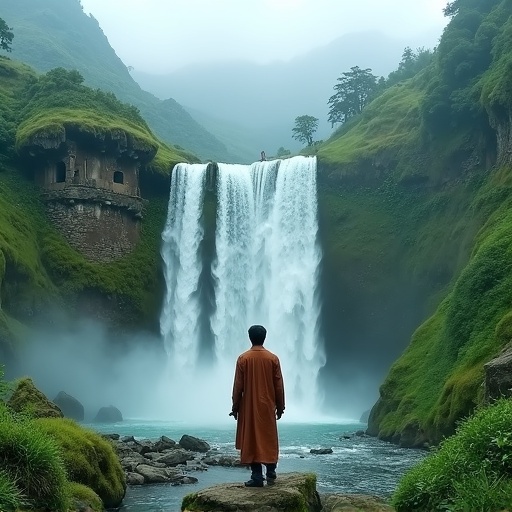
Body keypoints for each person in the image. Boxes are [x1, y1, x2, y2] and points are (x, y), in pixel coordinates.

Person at [230, 325, 285, 487]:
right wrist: (281, 406)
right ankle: (271, 470)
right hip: (268, 405)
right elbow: (279, 386)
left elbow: (237, 386)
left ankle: (256, 476)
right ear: (264, 337)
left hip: (248, 406)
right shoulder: (273, 359)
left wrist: (235, 407)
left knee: (252, 437)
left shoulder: (243, 359)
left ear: (250, 337)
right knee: (268, 436)